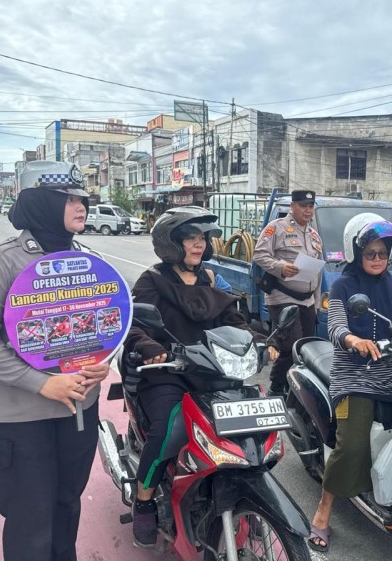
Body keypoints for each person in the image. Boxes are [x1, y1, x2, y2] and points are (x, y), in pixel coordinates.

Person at [0, 161, 110, 561]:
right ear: (42, 201)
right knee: (30, 521)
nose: (82, 206)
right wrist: (41, 382)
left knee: (66, 508)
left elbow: (98, 323)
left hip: (77, 408)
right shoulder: (0, 263)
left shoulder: (85, 261)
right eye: (70, 198)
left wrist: (99, 361)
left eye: (83, 199)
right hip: (16, 418)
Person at [122, 206, 278, 548]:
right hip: (167, 372)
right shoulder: (152, 280)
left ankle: (250, 496)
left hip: (213, 370)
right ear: (171, 243)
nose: (199, 244)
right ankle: (144, 498)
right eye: (191, 238)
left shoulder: (210, 278)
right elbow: (133, 323)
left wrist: (260, 342)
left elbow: (233, 318)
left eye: (203, 238)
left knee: (249, 425)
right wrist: (150, 347)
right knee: (168, 428)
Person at [307, 213, 392, 553]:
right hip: (355, 376)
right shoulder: (343, 285)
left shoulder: (391, 285)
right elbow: (336, 326)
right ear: (356, 254)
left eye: (383, 253)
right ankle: (324, 510)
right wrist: (354, 341)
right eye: (371, 253)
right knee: (352, 445)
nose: (378, 260)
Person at [253, 189, 324, 396]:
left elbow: (317, 272)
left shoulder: (314, 234)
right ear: (292, 206)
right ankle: (276, 389)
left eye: (311, 206)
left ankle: (296, 390)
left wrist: (317, 303)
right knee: (288, 347)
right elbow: (259, 255)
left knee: (305, 348)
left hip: (307, 300)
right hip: (283, 298)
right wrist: (280, 267)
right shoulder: (276, 228)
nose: (308, 210)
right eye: (303, 206)